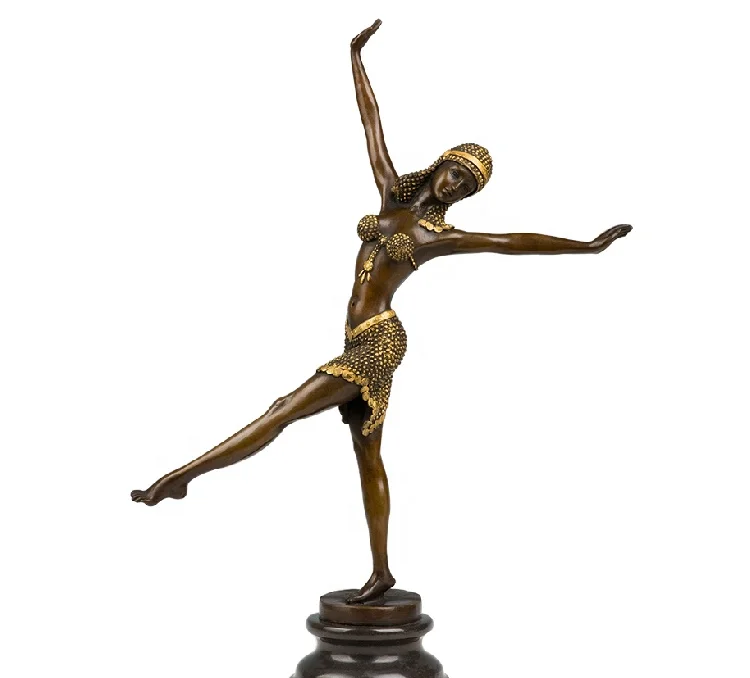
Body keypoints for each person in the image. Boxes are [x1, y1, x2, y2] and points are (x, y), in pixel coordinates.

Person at [131, 19, 632, 603]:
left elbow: (509, 241)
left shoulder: (438, 236)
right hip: (356, 339)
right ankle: (382, 572)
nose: (456, 186)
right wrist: (356, 58)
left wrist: (587, 246)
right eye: (455, 172)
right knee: (367, 458)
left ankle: (182, 477)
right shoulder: (392, 197)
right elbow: (372, 126)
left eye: (467, 187)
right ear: (439, 164)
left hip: (378, 342)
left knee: (283, 410)